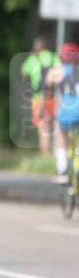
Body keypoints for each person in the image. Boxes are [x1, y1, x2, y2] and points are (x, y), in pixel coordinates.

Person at [21, 37, 60, 156]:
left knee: (42, 128)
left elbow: (23, 74)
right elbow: (59, 72)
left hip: (37, 97)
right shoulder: (52, 57)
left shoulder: (30, 59)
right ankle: (58, 155)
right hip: (53, 96)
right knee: (56, 125)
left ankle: (45, 155)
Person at [48, 42, 79, 184]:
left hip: (66, 113)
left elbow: (47, 84)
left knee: (60, 133)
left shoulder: (57, 70)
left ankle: (62, 168)